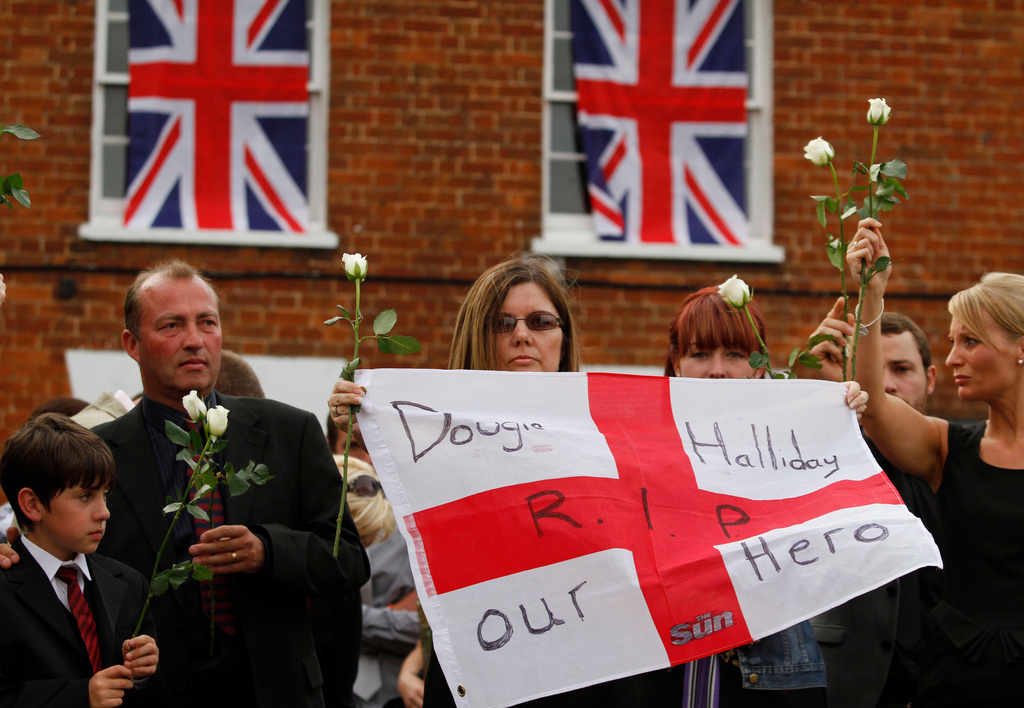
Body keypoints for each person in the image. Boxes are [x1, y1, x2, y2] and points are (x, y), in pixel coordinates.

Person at [1, 259, 370, 708]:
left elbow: (348, 561)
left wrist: (267, 550)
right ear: (132, 344)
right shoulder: (95, 456)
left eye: (207, 323)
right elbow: (52, 556)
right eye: (172, 325)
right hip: (150, 693)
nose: (194, 340)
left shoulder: (288, 433)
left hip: (273, 690)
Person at [328, 253, 650, 707]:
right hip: (483, 668)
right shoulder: (438, 437)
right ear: (478, 336)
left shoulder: (610, 435)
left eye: (540, 321)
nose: (522, 335)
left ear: (563, 335)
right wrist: (367, 424)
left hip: (591, 672)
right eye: (502, 324)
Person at [655, 286, 864, 708]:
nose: (718, 371)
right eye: (700, 354)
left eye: (735, 355)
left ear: (759, 368)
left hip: (773, 681)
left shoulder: (792, 444)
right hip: (659, 675)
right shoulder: (635, 449)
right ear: (676, 363)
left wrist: (835, 412)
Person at [848, 219, 1024, 706]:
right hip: (955, 681)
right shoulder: (950, 447)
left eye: (969, 341)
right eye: (951, 342)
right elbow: (875, 407)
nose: (951, 359)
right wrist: (872, 297)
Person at [806, 308, 944, 707]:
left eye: (901, 368)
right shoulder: (823, 460)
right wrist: (811, 392)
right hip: (846, 685)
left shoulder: (955, 460)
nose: (885, 385)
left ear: (930, 379)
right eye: (871, 370)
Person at [0, 413, 160, 706]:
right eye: (85, 496)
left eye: (105, 495)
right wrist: (81, 696)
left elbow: (148, 695)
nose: (104, 512)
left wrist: (143, 672)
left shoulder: (128, 583)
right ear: (32, 504)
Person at [346, 458, 420, 708]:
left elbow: (426, 627)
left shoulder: (411, 530)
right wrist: (391, 614)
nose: (366, 457)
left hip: (399, 693)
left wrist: (350, 617)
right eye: (354, 445)